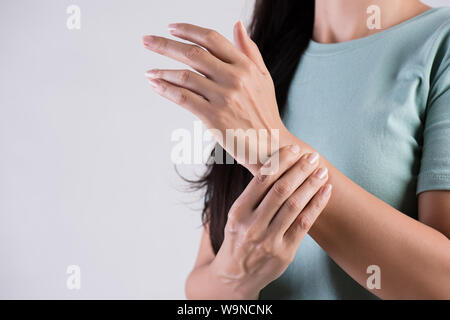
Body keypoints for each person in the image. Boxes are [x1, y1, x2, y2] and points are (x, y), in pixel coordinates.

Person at [143, 0, 450, 299]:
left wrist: (275, 149)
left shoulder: (440, 43)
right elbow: (200, 285)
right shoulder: (263, 62)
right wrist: (233, 278)